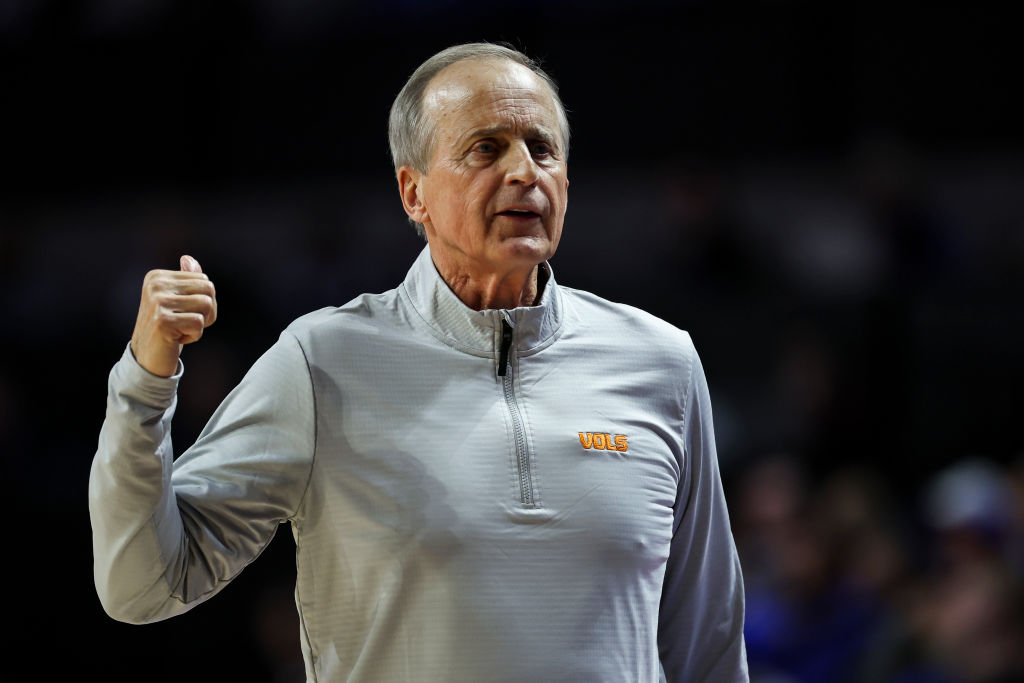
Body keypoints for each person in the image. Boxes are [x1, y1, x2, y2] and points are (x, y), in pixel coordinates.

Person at [89, 42, 748, 682]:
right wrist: (145, 380)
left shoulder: (662, 362)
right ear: (414, 192)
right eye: (486, 149)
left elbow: (708, 646)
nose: (525, 172)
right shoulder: (320, 364)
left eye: (543, 148)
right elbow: (142, 585)